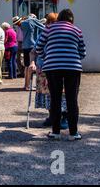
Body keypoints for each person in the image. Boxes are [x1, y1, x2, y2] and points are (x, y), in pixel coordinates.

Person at [35, 9, 86, 141]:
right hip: (73, 68)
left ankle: (55, 132)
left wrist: (47, 57)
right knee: (72, 99)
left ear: (59, 18)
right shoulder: (77, 30)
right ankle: (73, 133)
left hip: (52, 67)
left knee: (55, 99)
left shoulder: (49, 29)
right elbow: (82, 52)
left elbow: (38, 47)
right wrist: (73, 57)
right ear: (71, 19)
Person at [29, 13, 68, 129]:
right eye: (49, 23)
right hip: (44, 69)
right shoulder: (43, 35)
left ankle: (64, 117)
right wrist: (32, 62)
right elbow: (33, 51)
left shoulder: (62, 35)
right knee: (48, 95)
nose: (49, 25)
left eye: (52, 22)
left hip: (59, 68)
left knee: (62, 93)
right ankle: (52, 116)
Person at [21, 14, 45, 90]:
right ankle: (28, 86)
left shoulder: (23, 22)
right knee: (31, 66)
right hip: (32, 45)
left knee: (26, 66)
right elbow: (44, 28)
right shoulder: (33, 20)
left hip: (25, 45)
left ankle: (26, 85)